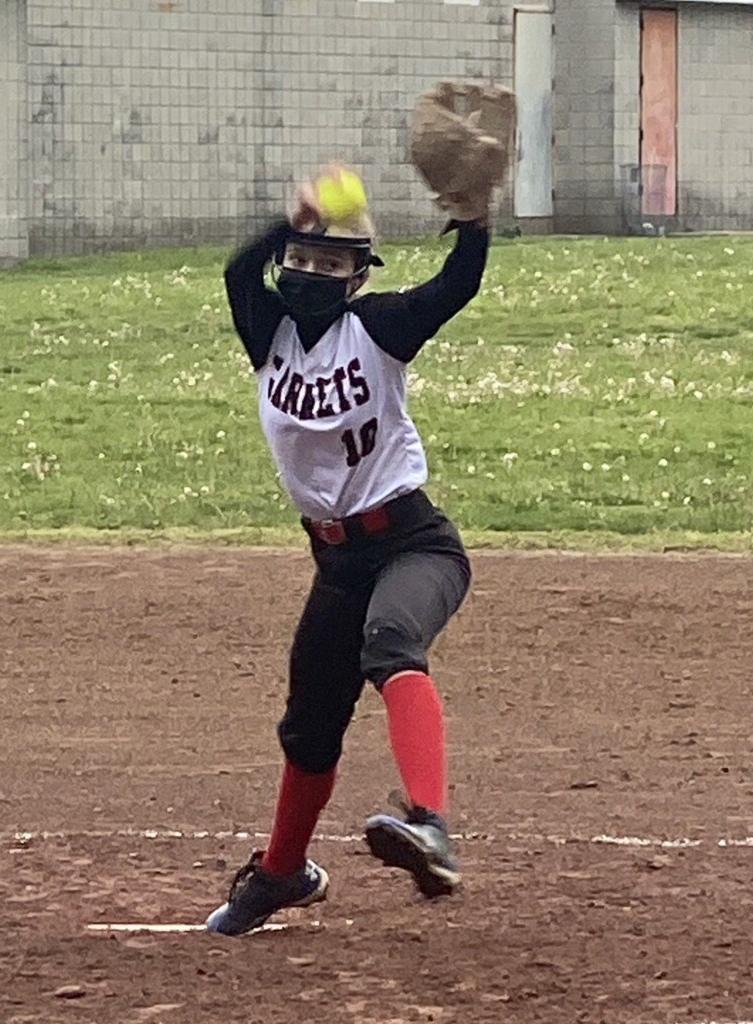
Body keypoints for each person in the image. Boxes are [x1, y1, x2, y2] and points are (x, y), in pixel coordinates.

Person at [205, 167, 490, 935]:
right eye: (302, 259)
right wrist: (291, 219)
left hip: (413, 544)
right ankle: (281, 874)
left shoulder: (379, 326)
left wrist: (474, 216)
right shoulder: (268, 337)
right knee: (308, 727)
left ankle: (430, 823)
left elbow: (454, 286)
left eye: (333, 265)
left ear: (359, 277)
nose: (313, 273)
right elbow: (238, 271)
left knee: (391, 642)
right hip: (335, 562)